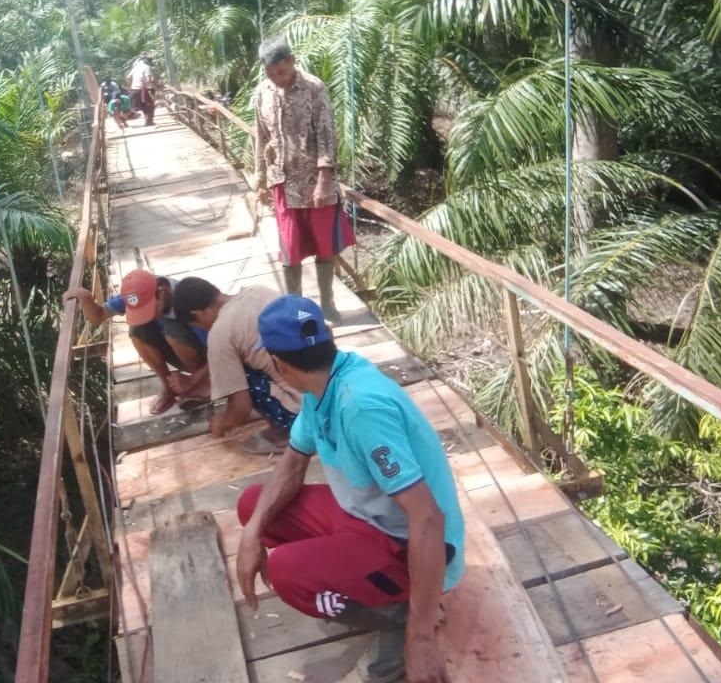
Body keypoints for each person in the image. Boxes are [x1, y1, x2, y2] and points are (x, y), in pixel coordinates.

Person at [235, 294, 464, 683]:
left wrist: (421, 639)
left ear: (279, 364)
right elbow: (293, 461)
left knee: (287, 572)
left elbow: (427, 517)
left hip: (412, 544)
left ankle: (403, 614)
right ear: (328, 336)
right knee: (253, 505)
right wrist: (252, 534)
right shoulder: (321, 385)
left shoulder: (360, 408)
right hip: (364, 516)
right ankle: (375, 591)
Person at [252, 36, 355, 324]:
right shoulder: (262, 93)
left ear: (292, 61)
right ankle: (296, 309)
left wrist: (324, 180)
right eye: (272, 75)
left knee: (324, 246)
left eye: (282, 72)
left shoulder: (314, 88)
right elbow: (260, 136)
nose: (278, 79)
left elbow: (327, 135)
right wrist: (259, 178)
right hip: (282, 182)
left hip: (315, 182)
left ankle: (327, 302)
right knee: (289, 250)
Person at [171, 278, 301, 455]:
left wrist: (223, 422)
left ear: (199, 314)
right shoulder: (258, 289)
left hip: (303, 412)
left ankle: (285, 431)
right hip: (325, 385)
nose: (204, 329)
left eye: (198, 325)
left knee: (242, 374)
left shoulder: (219, 334)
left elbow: (242, 408)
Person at [64, 268, 207, 414]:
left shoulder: (188, 300)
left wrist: (194, 380)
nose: (147, 315)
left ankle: (202, 385)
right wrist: (85, 297)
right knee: (137, 330)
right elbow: (98, 316)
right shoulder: (136, 295)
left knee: (171, 329)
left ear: (162, 292)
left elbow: (220, 349)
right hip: (182, 353)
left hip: (209, 358)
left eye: (150, 308)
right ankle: (169, 388)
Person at [128, 54, 157, 126]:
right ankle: (149, 121)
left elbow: (128, 78)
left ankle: (147, 120)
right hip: (142, 89)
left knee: (144, 105)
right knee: (151, 105)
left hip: (134, 89)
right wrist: (151, 86)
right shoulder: (147, 67)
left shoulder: (135, 68)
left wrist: (130, 88)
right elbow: (148, 79)